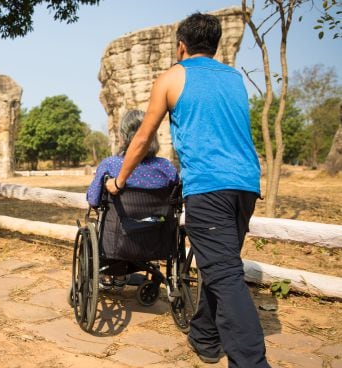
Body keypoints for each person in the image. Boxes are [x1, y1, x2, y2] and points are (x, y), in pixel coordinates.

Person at [105, 13, 269, 368]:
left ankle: (252, 362)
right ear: (215, 45)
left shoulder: (172, 77)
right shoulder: (234, 78)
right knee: (218, 264)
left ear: (181, 45)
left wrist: (119, 181)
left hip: (209, 188)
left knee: (225, 274)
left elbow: (143, 137)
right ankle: (205, 338)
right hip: (246, 185)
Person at [86, 109, 178, 290]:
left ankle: (113, 273)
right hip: (156, 240)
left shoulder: (110, 165)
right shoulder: (167, 168)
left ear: (123, 138)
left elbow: (93, 200)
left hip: (117, 240)